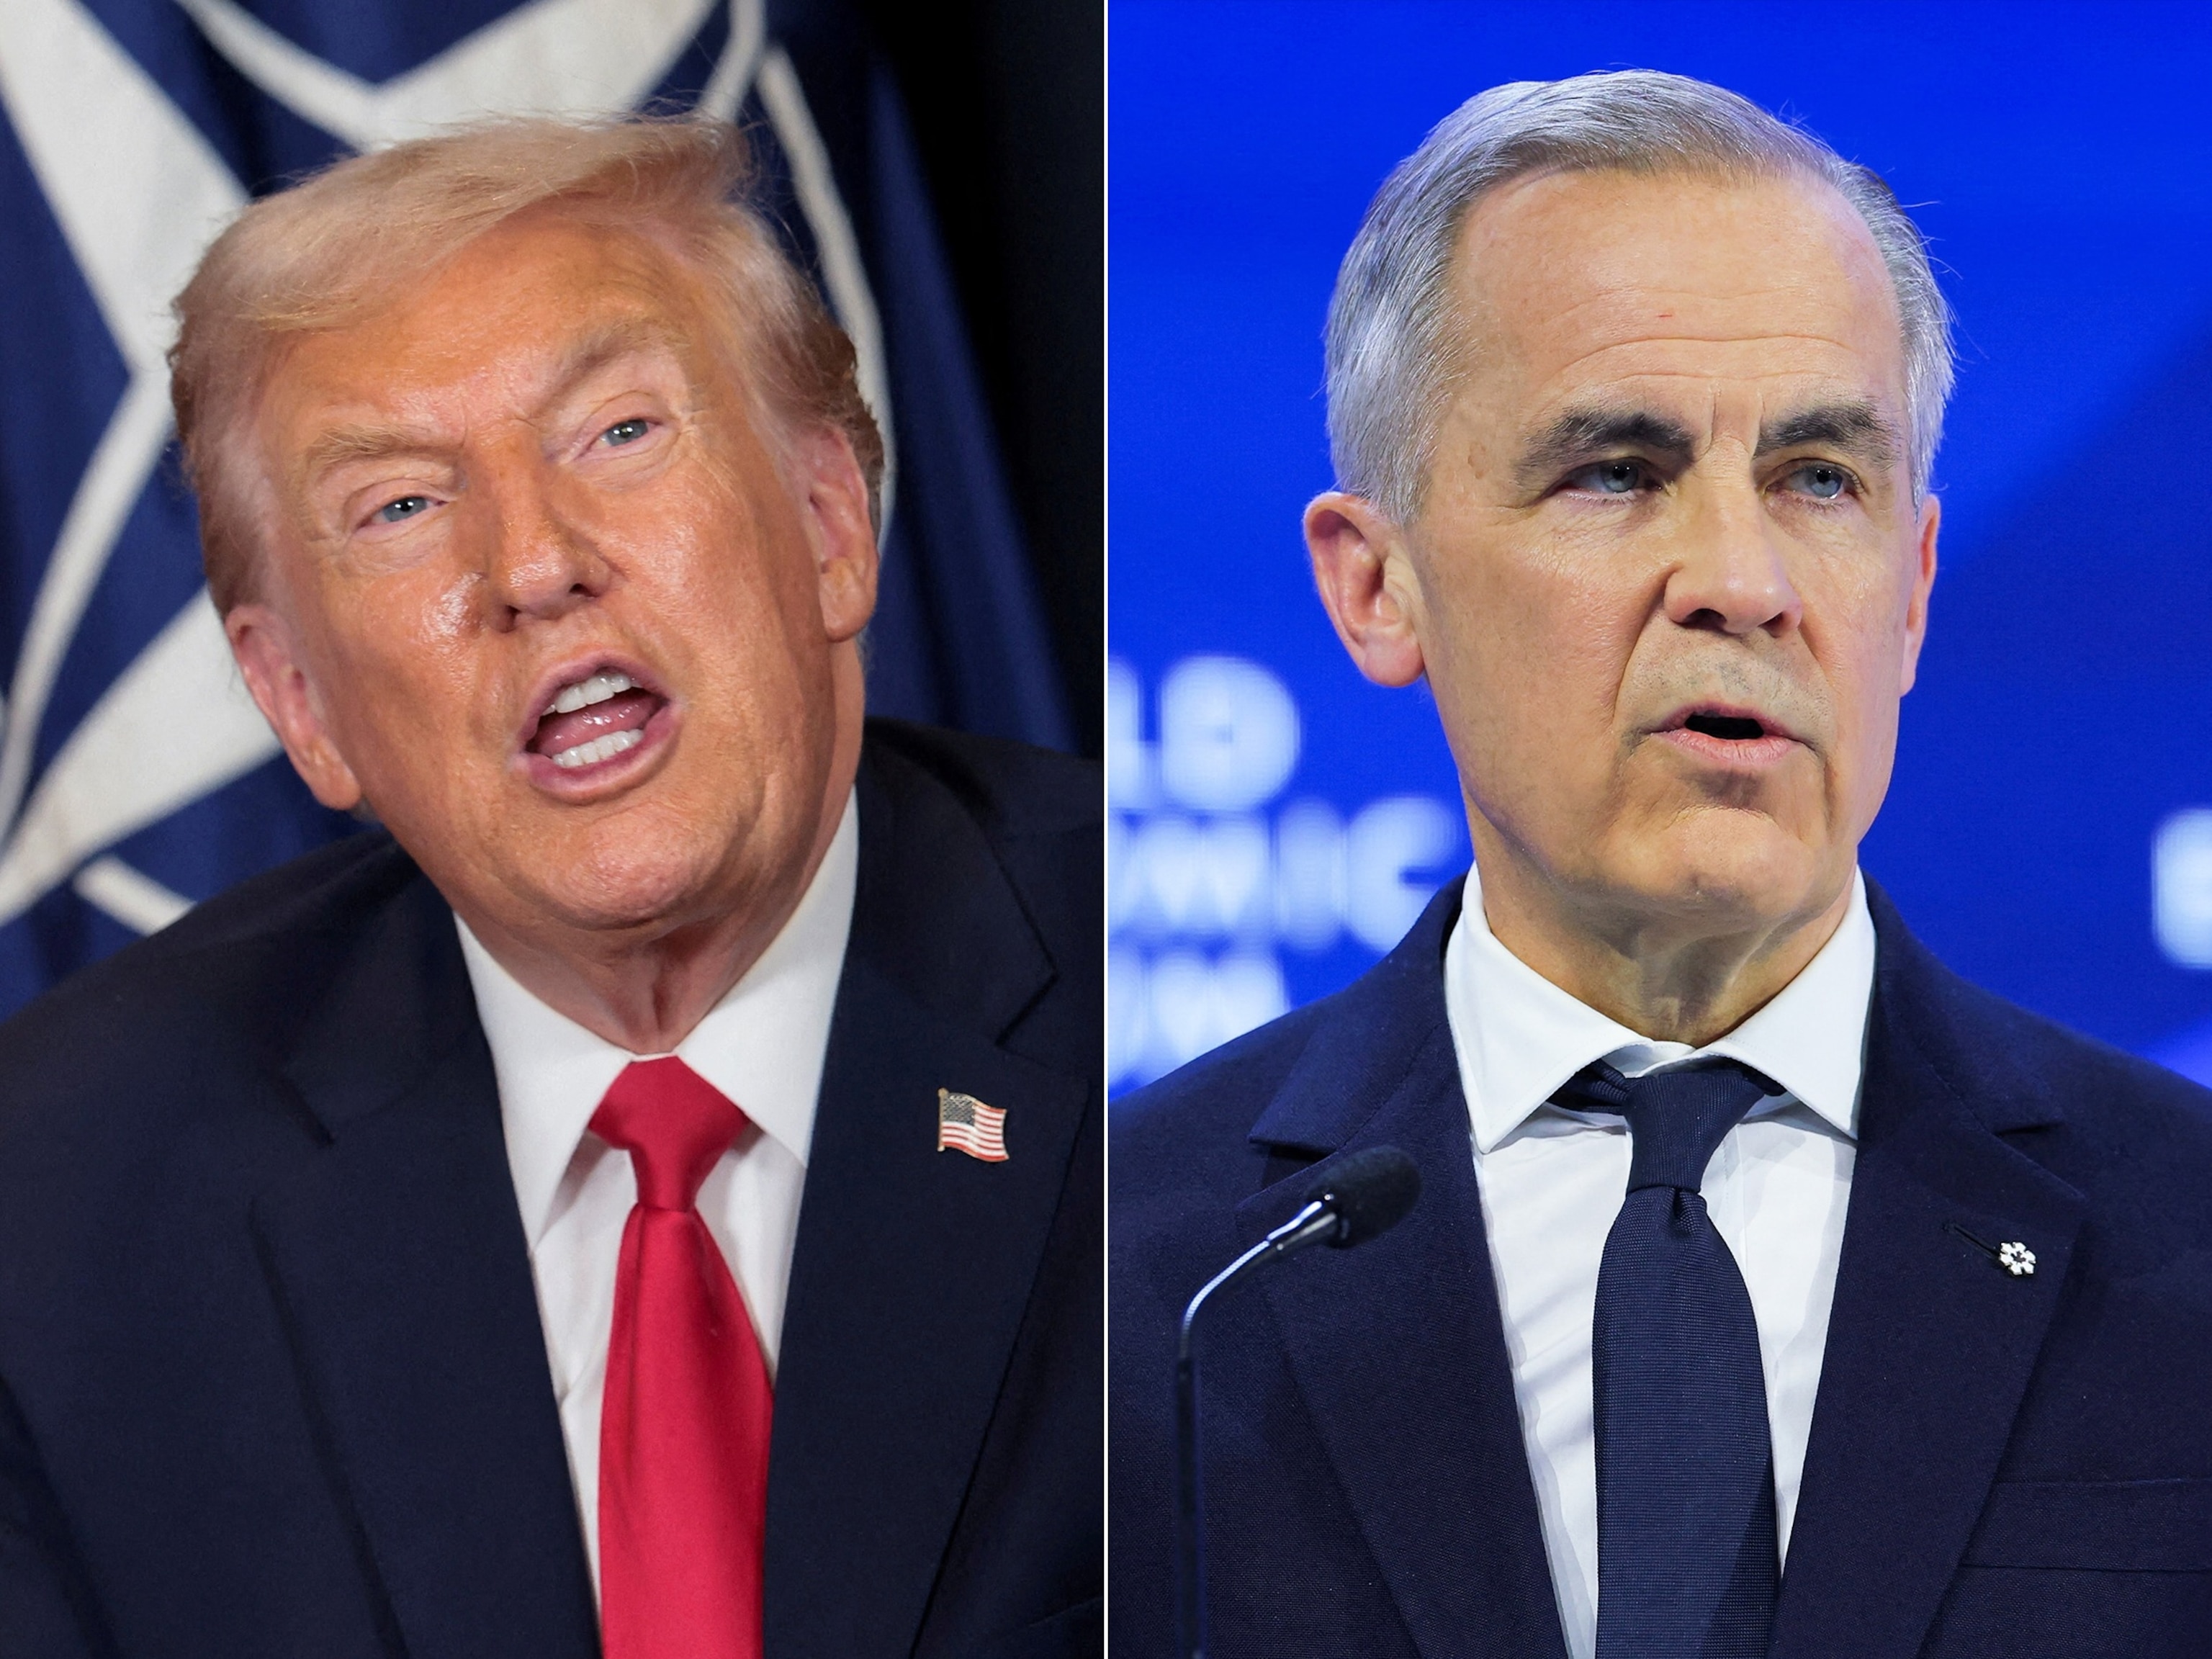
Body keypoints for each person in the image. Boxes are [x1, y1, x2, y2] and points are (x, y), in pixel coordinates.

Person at [1111, 70, 2212, 1659]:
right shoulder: (1130, 1275)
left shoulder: (2188, 1236)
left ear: (1912, 588)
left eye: (1819, 478)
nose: (1744, 582)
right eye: (1617, 473)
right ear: (1377, 586)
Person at [0, 117, 1100, 1659]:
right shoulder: (64, 1198)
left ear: (829, 525)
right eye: (400, 507)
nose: (532, 565)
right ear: (299, 700)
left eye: (618, 433)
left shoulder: (1161, 1009)